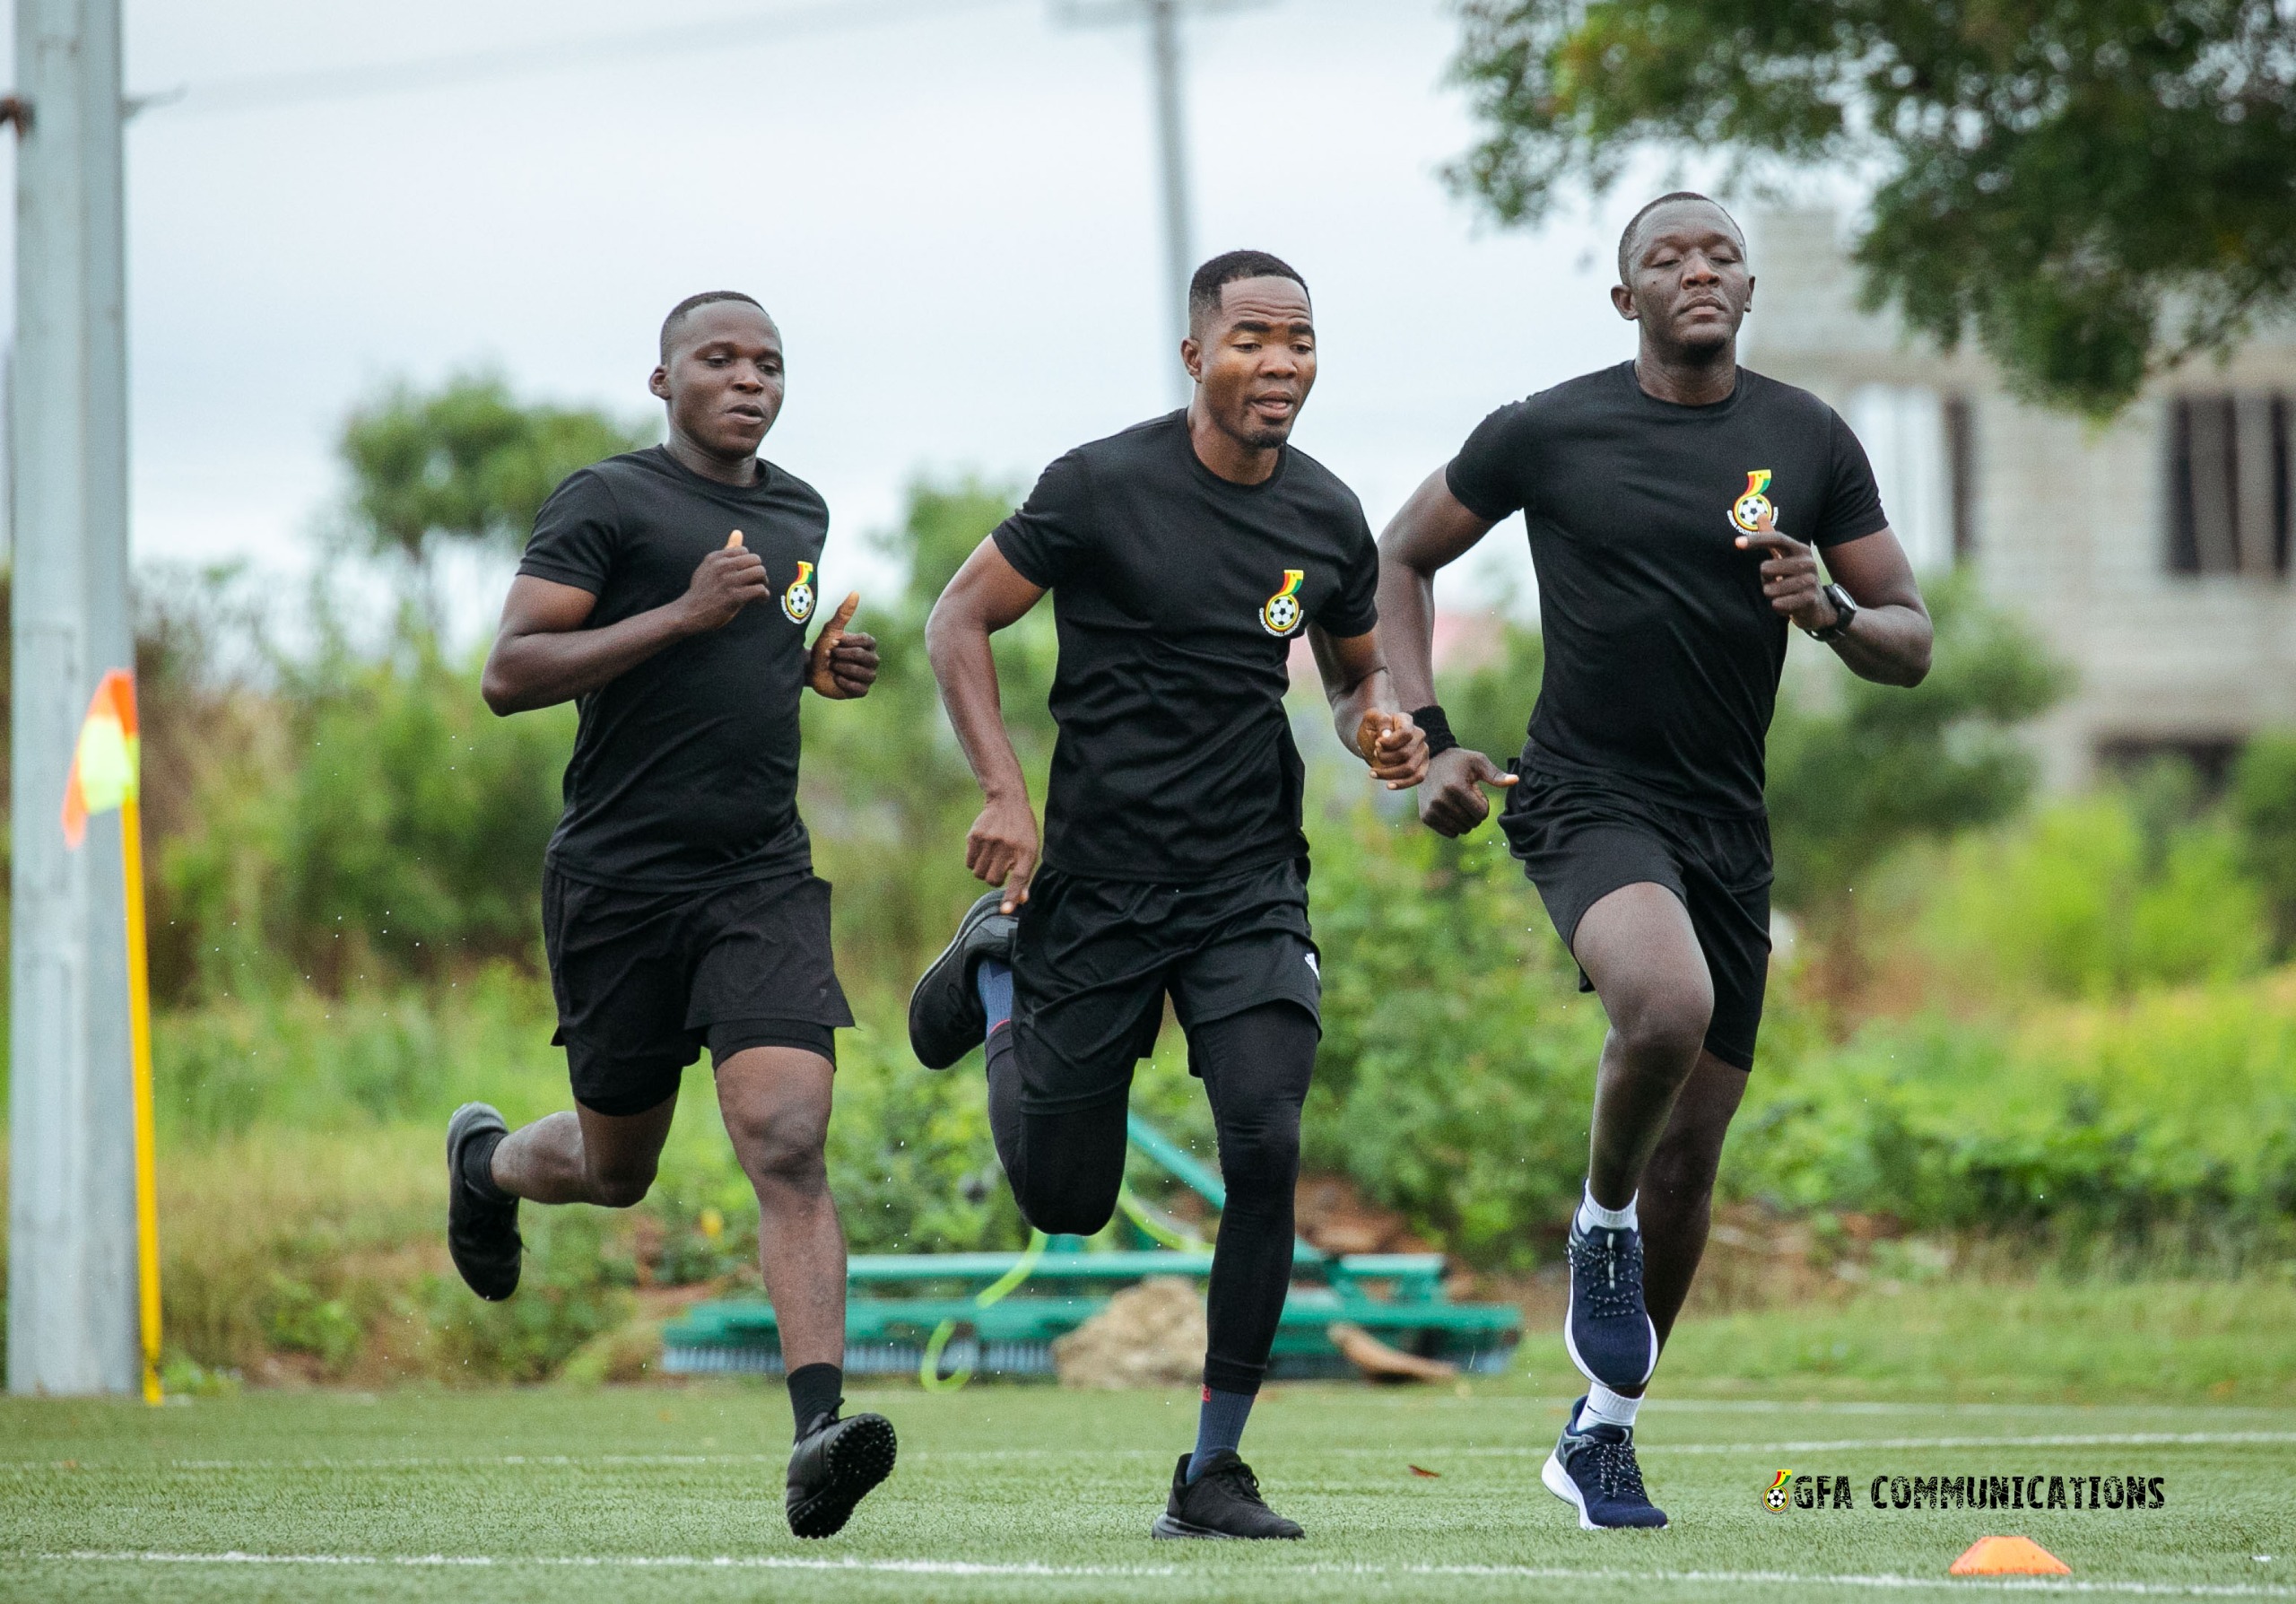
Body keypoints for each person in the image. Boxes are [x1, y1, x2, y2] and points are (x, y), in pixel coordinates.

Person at [1377, 194, 1934, 1530]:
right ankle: (1597, 1224)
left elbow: (1910, 639)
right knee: (1663, 1006)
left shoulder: (1807, 440)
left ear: (1748, 291)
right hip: (1581, 796)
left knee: (1693, 1156)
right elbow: (1397, 556)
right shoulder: (1546, 431)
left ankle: (1601, 1436)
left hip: (1727, 826)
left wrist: (1831, 609)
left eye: (1721, 255)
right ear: (1625, 299)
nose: (1699, 269)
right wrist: (1432, 736)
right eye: (1666, 258)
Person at [906, 250, 1427, 1540]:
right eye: (1252, 339)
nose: (1282, 364)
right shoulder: (1098, 487)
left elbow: (1357, 674)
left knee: (1265, 1141)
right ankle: (1001, 977)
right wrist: (1003, 794)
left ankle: (1212, 1470)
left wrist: (1380, 727)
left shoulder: (1325, 516)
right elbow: (957, 619)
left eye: (1301, 341)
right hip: (1098, 882)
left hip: (1249, 883)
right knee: (1067, 1201)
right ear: (1195, 355)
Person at [441, 291, 896, 1540]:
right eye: (720, 360)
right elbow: (510, 673)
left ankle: (818, 1435)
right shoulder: (607, 502)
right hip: (619, 886)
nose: (750, 380)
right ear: (663, 381)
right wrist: (683, 613)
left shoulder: (799, 510)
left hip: (759, 874)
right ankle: (484, 1163)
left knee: (788, 1138)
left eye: (770, 363)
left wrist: (814, 667)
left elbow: (756, 652)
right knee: (614, 1169)